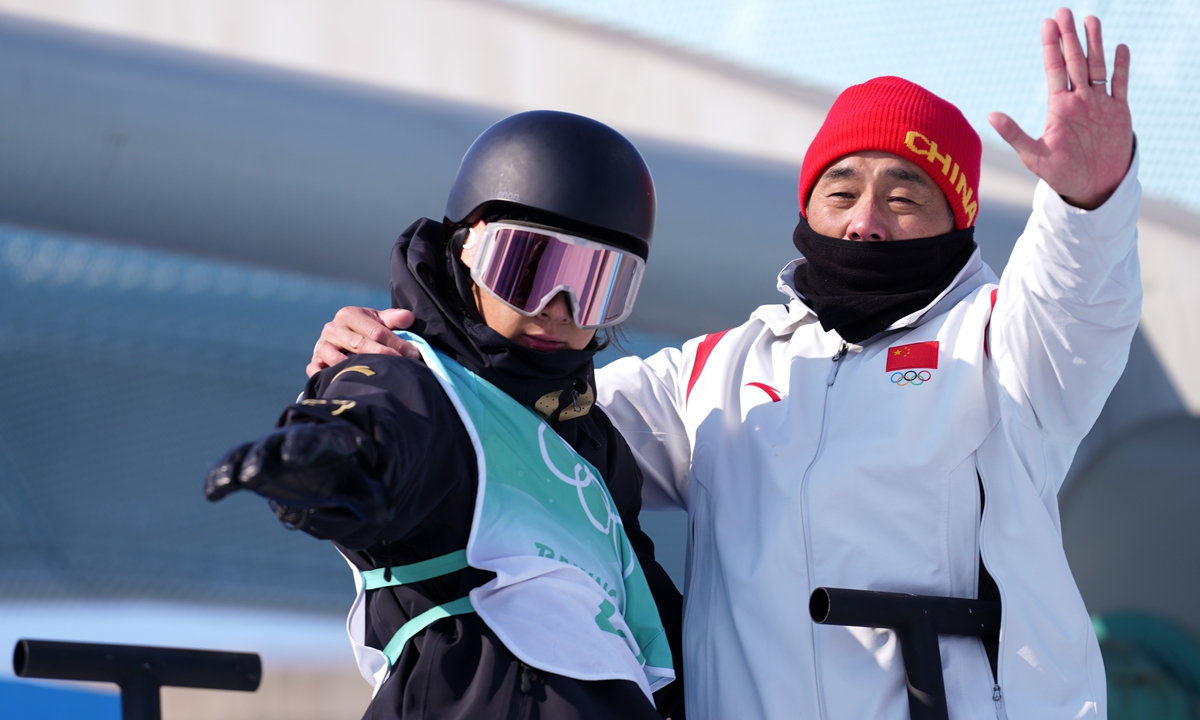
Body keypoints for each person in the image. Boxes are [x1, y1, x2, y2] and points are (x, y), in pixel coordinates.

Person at [305, 9, 1138, 719]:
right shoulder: (725, 369)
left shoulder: (1008, 348)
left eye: (906, 194)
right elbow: (523, 414)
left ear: (955, 220)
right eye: (841, 191)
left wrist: (1088, 206)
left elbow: (1078, 297)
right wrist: (382, 369)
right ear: (807, 207)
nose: (865, 220)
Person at [206, 110, 686, 719]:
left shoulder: (595, 442)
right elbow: (386, 426)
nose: (557, 310)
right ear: (468, 250)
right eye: (530, 269)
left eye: (595, 287)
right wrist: (333, 462)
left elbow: (639, 602)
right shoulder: (410, 370)